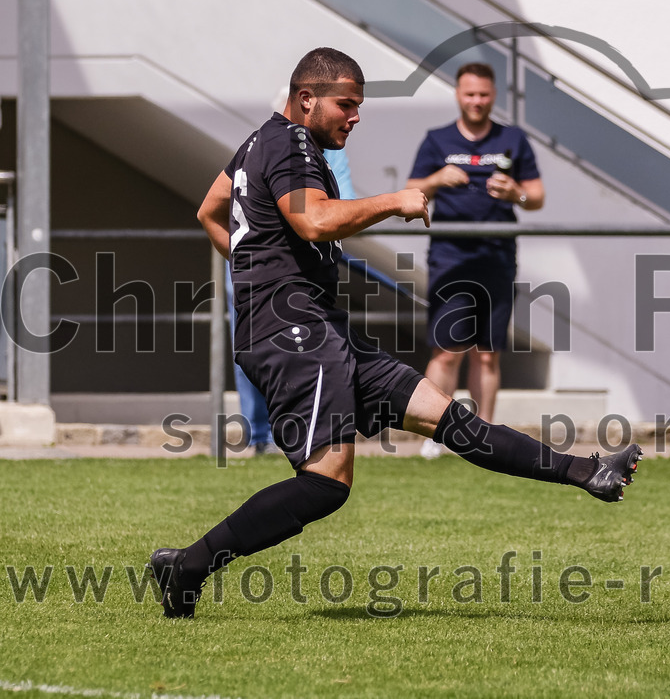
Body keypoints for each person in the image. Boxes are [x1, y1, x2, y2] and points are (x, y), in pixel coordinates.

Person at [148, 47, 642, 619]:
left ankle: (589, 472)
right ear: (307, 98)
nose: (355, 116)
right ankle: (186, 567)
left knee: (453, 420)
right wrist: (395, 202)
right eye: (347, 104)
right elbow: (314, 219)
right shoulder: (290, 142)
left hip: (323, 329)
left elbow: (211, 210)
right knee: (326, 483)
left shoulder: (260, 141)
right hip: (291, 333)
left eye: (359, 105)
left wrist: (253, 265)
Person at [407, 62, 544, 457]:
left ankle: (485, 440)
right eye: (470, 94)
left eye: (483, 94)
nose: (477, 101)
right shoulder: (437, 140)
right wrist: (437, 180)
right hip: (450, 257)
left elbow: (536, 197)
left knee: (487, 353)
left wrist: (515, 192)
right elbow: (411, 190)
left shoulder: (513, 139)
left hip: (497, 256)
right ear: (457, 94)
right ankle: (434, 437)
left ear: (493, 95)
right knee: (446, 351)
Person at [225, 264, 275, 454]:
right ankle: (261, 438)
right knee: (248, 353)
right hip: (245, 254)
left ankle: (294, 433)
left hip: (288, 255)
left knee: (295, 348)